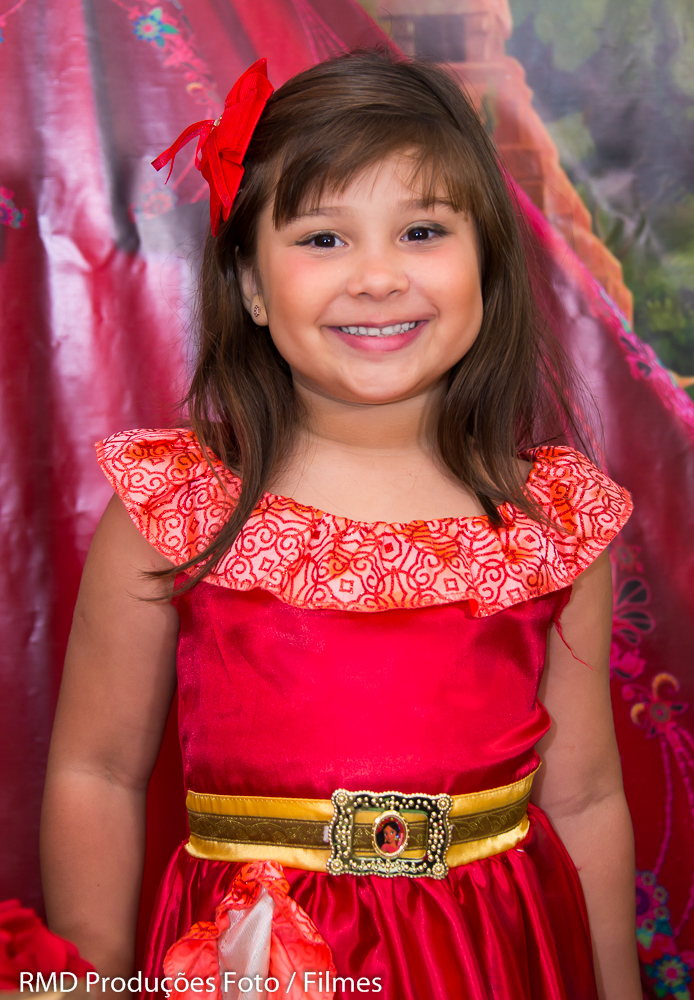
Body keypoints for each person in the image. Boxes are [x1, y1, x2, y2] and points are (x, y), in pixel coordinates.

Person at [40, 51, 643, 1000]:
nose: (377, 277)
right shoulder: (177, 507)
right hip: (252, 964)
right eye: (323, 238)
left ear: (488, 262)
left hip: (493, 963)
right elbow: (98, 772)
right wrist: (87, 981)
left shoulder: (550, 523)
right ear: (249, 283)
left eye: (421, 231)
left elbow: (588, 795)